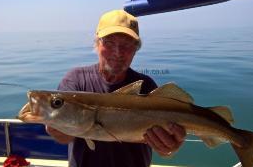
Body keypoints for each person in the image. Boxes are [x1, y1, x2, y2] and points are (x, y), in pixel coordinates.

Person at [46, 9, 186, 167]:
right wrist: (55, 127)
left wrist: (169, 148)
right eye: (109, 43)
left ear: (135, 50)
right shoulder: (75, 80)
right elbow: (65, 137)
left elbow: (165, 150)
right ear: (97, 44)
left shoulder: (147, 86)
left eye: (127, 45)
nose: (118, 52)